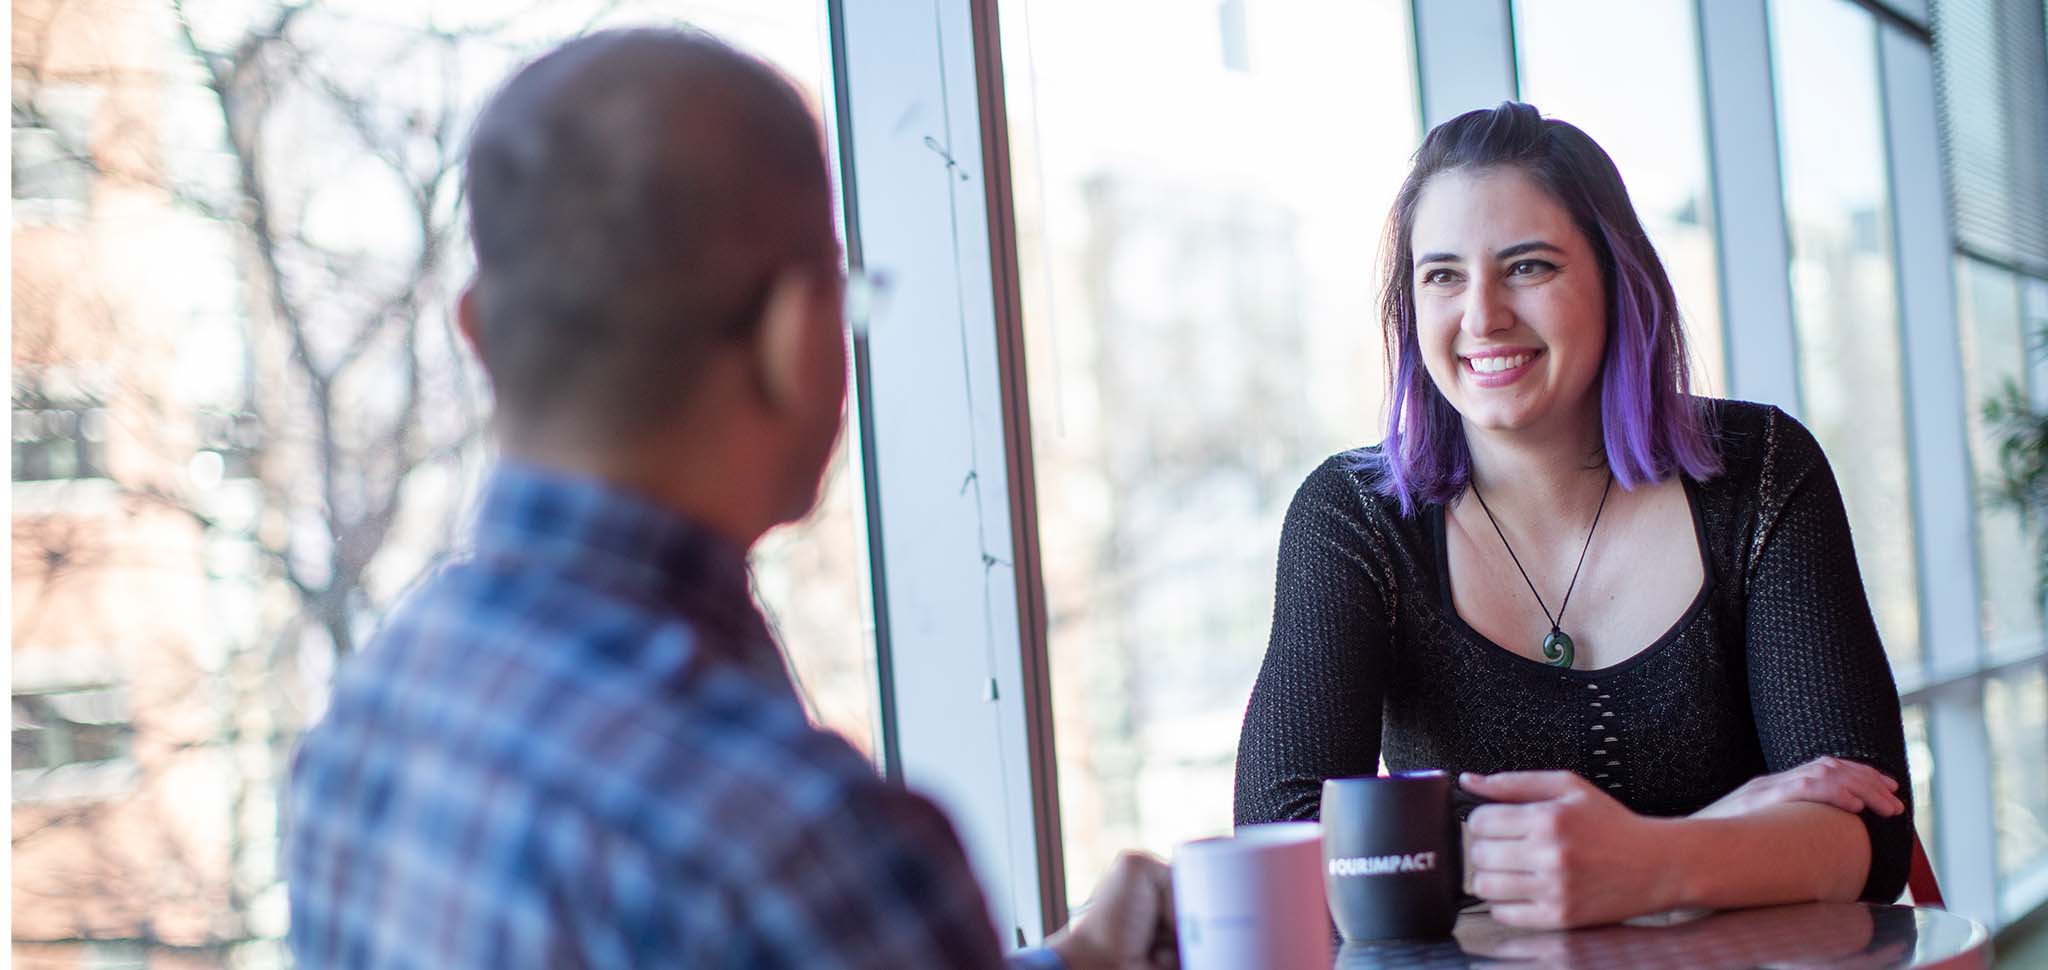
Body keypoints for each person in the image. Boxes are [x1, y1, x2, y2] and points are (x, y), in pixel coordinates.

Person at [285, 28, 1175, 969]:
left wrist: (1079, 960)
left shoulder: (362, 727)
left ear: (478, 335)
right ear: (800, 334)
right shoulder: (795, 848)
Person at [1233, 102, 1914, 930]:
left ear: (1614, 278)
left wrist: (1645, 863)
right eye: (1442, 274)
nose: (1482, 316)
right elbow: (1283, 841)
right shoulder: (1353, 517)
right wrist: (1708, 837)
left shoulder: (1762, 468)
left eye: (1527, 267)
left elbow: (1868, 834)